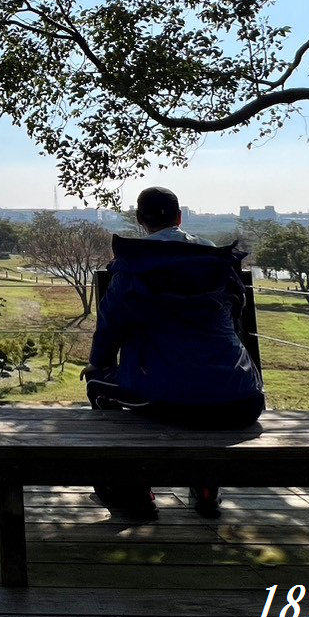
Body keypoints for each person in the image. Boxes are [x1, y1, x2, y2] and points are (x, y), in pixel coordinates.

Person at [84, 186, 264, 520]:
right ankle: (206, 483)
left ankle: (134, 490)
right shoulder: (215, 260)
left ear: (140, 221)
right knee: (199, 385)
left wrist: (99, 364)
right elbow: (235, 317)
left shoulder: (135, 265)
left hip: (167, 401)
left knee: (97, 384)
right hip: (242, 399)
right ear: (180, 217)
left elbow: (110, 325)